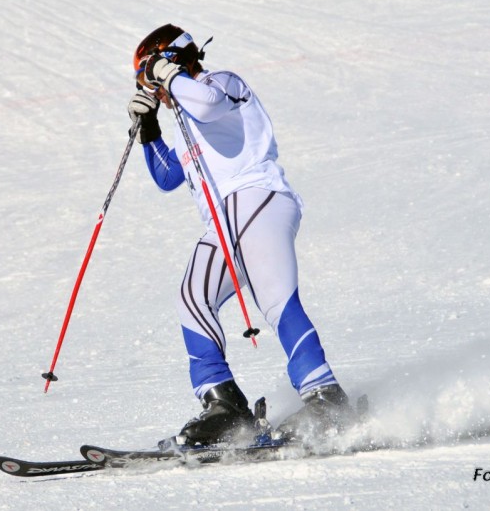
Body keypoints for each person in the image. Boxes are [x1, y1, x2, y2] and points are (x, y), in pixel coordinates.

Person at [127, 24, 353, 445]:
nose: (152, 87)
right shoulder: (184, 120)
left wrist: (169, 75)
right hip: (225, 220)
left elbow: (209, 105)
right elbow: (167, 175)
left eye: (150, 75)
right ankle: (224, 406)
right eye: (144, 81)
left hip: (258, 198)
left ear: (173, 60)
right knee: (193, 299)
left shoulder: (221, 82)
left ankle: (325, 396)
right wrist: (149, 130)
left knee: (275, 300)